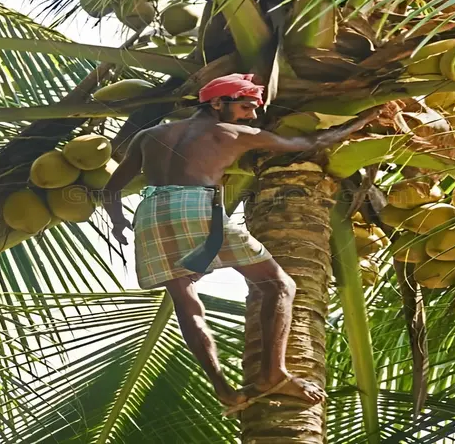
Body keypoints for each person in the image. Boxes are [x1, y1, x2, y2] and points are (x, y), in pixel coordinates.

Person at [102, 73, 379, 415]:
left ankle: (225, 390)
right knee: (278, 284)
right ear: (217, 103)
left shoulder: (148, 135)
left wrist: (118, 222)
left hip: (151, 211)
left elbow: (111, 190)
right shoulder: (232, 133)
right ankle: (273, 374)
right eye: (246, 107)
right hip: (197, 205)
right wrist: (362, 121)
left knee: (187, 304)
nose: (251, 115)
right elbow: (306, 144)